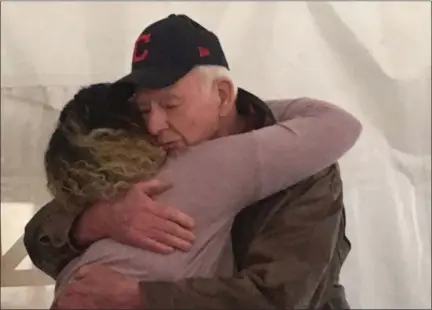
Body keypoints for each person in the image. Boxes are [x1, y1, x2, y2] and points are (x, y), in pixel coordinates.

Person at [25, 14, 360, 309]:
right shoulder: (158, 144)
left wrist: (139, 297)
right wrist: (100, 220)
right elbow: (40, 239)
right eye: (144, 109)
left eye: (171, 105)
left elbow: (280, 299)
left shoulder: (308, 168)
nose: (154, 124)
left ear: (224, 95)